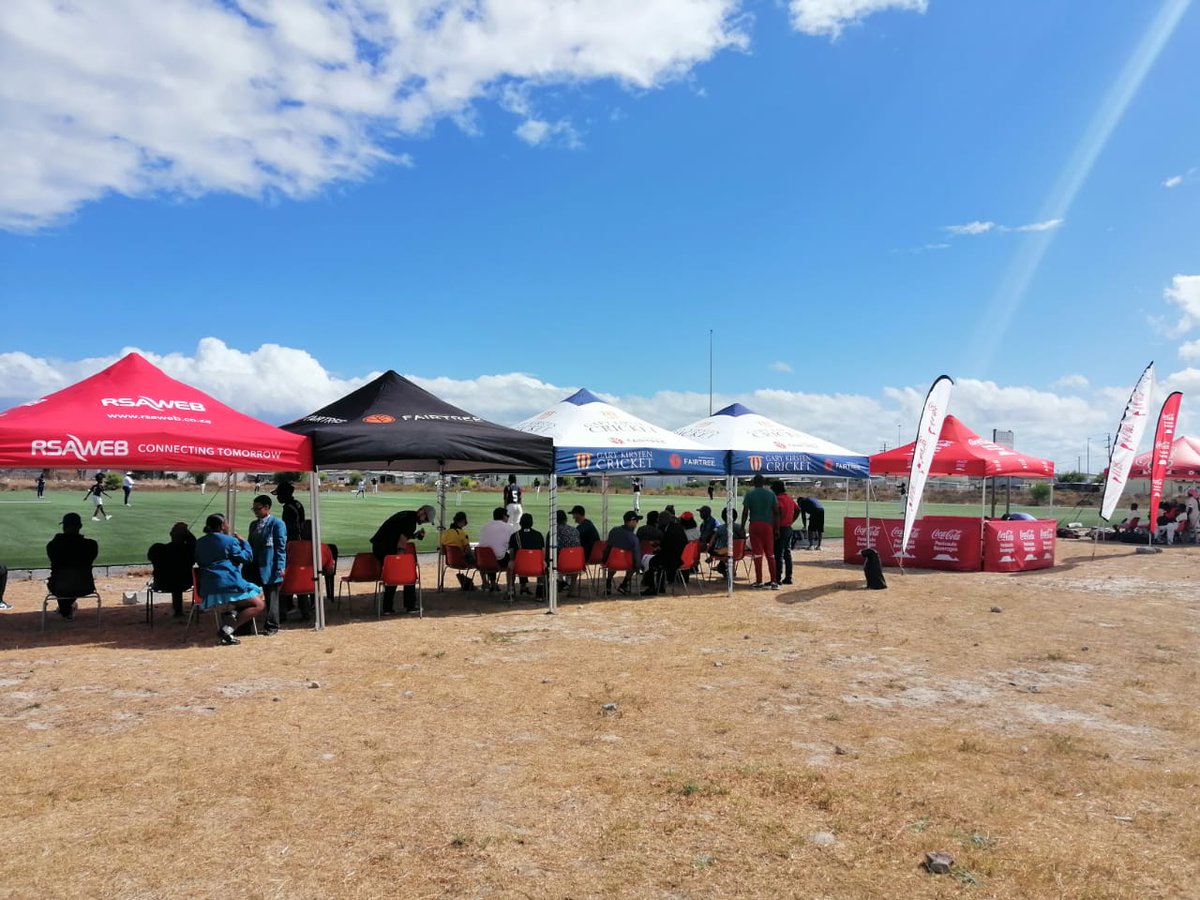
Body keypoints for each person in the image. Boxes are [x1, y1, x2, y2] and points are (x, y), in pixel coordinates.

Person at [194, 514, 265, 645]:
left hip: (208, 587)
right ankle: (228, 629)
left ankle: (231, 613)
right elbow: (247, 558)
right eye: (227, 522)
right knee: (259, 604)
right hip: (228, 584)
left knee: (255, 591)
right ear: (222, 526)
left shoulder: (199, 542)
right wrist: (244, 542)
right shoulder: (229, 541)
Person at [371, 504, 435, 614]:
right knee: (406, 574)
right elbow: (401, 541)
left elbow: (399, 534)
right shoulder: (410, 522)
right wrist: (400, 559)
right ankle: (409, 606)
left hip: (379, 546)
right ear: (422, 513)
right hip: (385, 548)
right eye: (426, 519)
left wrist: (415, 536)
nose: (425, 522)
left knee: (392, 576)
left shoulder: (407, 515)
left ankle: (388, 608)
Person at [46, 512, 98, 619]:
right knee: (72, 578)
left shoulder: (52, 545)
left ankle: (65, 609)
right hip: (85, 586)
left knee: (65, 579)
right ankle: (66, 609)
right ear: (80, 526)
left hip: (58, 587)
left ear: (64, 527)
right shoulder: (91, 545)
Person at [248, 494, 287, 635]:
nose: (256, 511)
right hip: (254, 566)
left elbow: (280, 547)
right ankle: (246, 624)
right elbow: (250, 544)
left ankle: (272, 625)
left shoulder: (277, 524)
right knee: (249, 595)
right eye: (254, 509)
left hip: (270, 566)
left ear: (267, 508)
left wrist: (280, 566)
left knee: (272, 597)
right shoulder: (253, 525)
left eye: (258, 509)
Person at [147, 522, 197, 618]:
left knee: (175, 580)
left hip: (161, 583)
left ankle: (178, 610)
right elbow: (194, 544)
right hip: (185, 583)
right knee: (177, 581)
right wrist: (188, 534)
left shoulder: (157, 549)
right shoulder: (188, 551)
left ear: (171, 535)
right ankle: (179, 611)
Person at [742, 474, 779, 589]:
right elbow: (776, 512)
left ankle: (759, 581)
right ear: (764, 482)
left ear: (753, 482)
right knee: (770, 554)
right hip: (768, 525)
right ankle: (774, 581)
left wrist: (742, 526)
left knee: (757, 554)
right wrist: (776, 528)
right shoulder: (771, 494)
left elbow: (745, 512)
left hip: (754, 525)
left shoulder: (749, 494)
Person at [644, 507, 688, 596]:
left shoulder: (669, 530)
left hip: (674, 558)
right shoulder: (677, 527)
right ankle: (660, 586)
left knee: (651, 561)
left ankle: (652, 587)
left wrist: (657, 548)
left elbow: (666, 547)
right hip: (680, 556)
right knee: (659, 561)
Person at [602, 511, 643, 595]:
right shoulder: (634, 538)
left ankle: (608, 583)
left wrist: (604, 560)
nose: (637, 524)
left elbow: (608, 548)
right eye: (636, 521)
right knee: (634, 564)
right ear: (632, 521)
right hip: (627, 564)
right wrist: (639, 567)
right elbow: (636, 558)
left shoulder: (614, 531)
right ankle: (624, 584)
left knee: (613, 558)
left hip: (611, 563)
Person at [507, 512, 545, 598]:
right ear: (532, 523)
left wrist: (513, 560)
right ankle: (540, 591)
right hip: (537, 567)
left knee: (511, 564)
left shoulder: (515, 536)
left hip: (520, 567)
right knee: (543, 563)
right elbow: (543, 553)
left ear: (520, 523)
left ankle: (511, 591)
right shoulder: (539, 535)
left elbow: (512, 554)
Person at [479, 507, 516, 591]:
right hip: (498, 560)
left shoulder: (484, 526)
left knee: (492, 553)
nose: (508, 517)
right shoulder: (509, 528)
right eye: (507, 515)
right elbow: (512, 546)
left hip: (482, 560)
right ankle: (510, 588)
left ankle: (490, 584)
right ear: (503, 516)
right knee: (511, 559)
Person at [440, 510, 476, 590]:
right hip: (462, 561)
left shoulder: (445, 533)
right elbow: (467, 550)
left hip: (450, 562)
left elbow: (442, 551)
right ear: (463, 521)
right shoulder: (462, 533)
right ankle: (487, 583)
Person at [772, 481, 798, 585]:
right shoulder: (789, 498)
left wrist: (776, 529)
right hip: (788, 527)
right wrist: (791, 521)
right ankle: (788, 577)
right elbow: (798, 510)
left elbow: (777, 514)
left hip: (781, 528)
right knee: (787, 553)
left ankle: (777, 578)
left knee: (778, 554)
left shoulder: (778, 499)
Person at [548, 509, 581, 591]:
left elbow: (550, 548)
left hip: (563, 563)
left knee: (556, 555)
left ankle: (560, 581)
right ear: (565, 519)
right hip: (577, 562)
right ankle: (571, 585)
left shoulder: (553, 531)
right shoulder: (575, 530)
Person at [709, 508, 745, 577]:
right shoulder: (740, 528)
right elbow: (744, 538)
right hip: (738, 553)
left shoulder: (720, 528)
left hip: (724, 552)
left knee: (716, 548)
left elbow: (712, 540)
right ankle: (724, 567)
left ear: (723, 517)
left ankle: (721, 566)